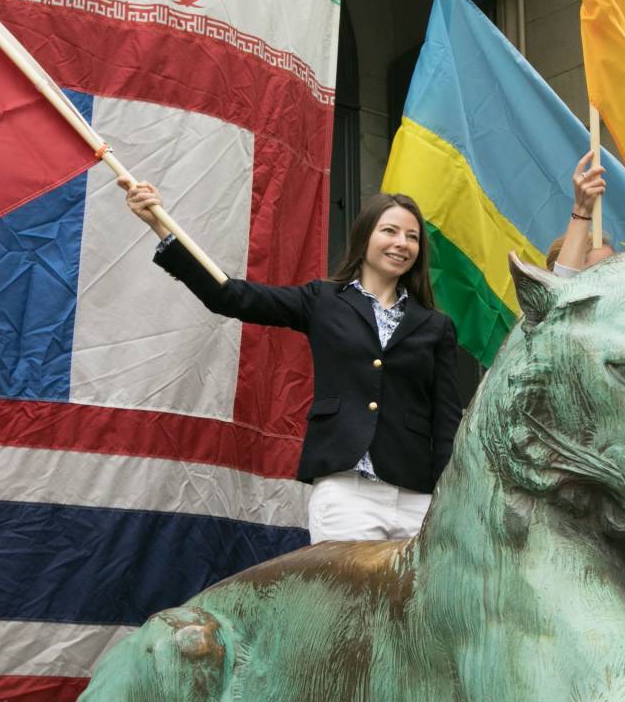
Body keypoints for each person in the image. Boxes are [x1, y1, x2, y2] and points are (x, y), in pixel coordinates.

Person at [126, 181, 461, 544]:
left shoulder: (435, 325)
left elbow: (446, 422)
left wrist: (450, 499)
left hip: (418, 497)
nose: (401, 243)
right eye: (390, 231)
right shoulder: (323, 300)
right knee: (344, 601)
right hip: (347, 494)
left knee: (419, 603)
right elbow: (231, 296)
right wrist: (160, 226)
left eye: (412, 237)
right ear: (365, 237)